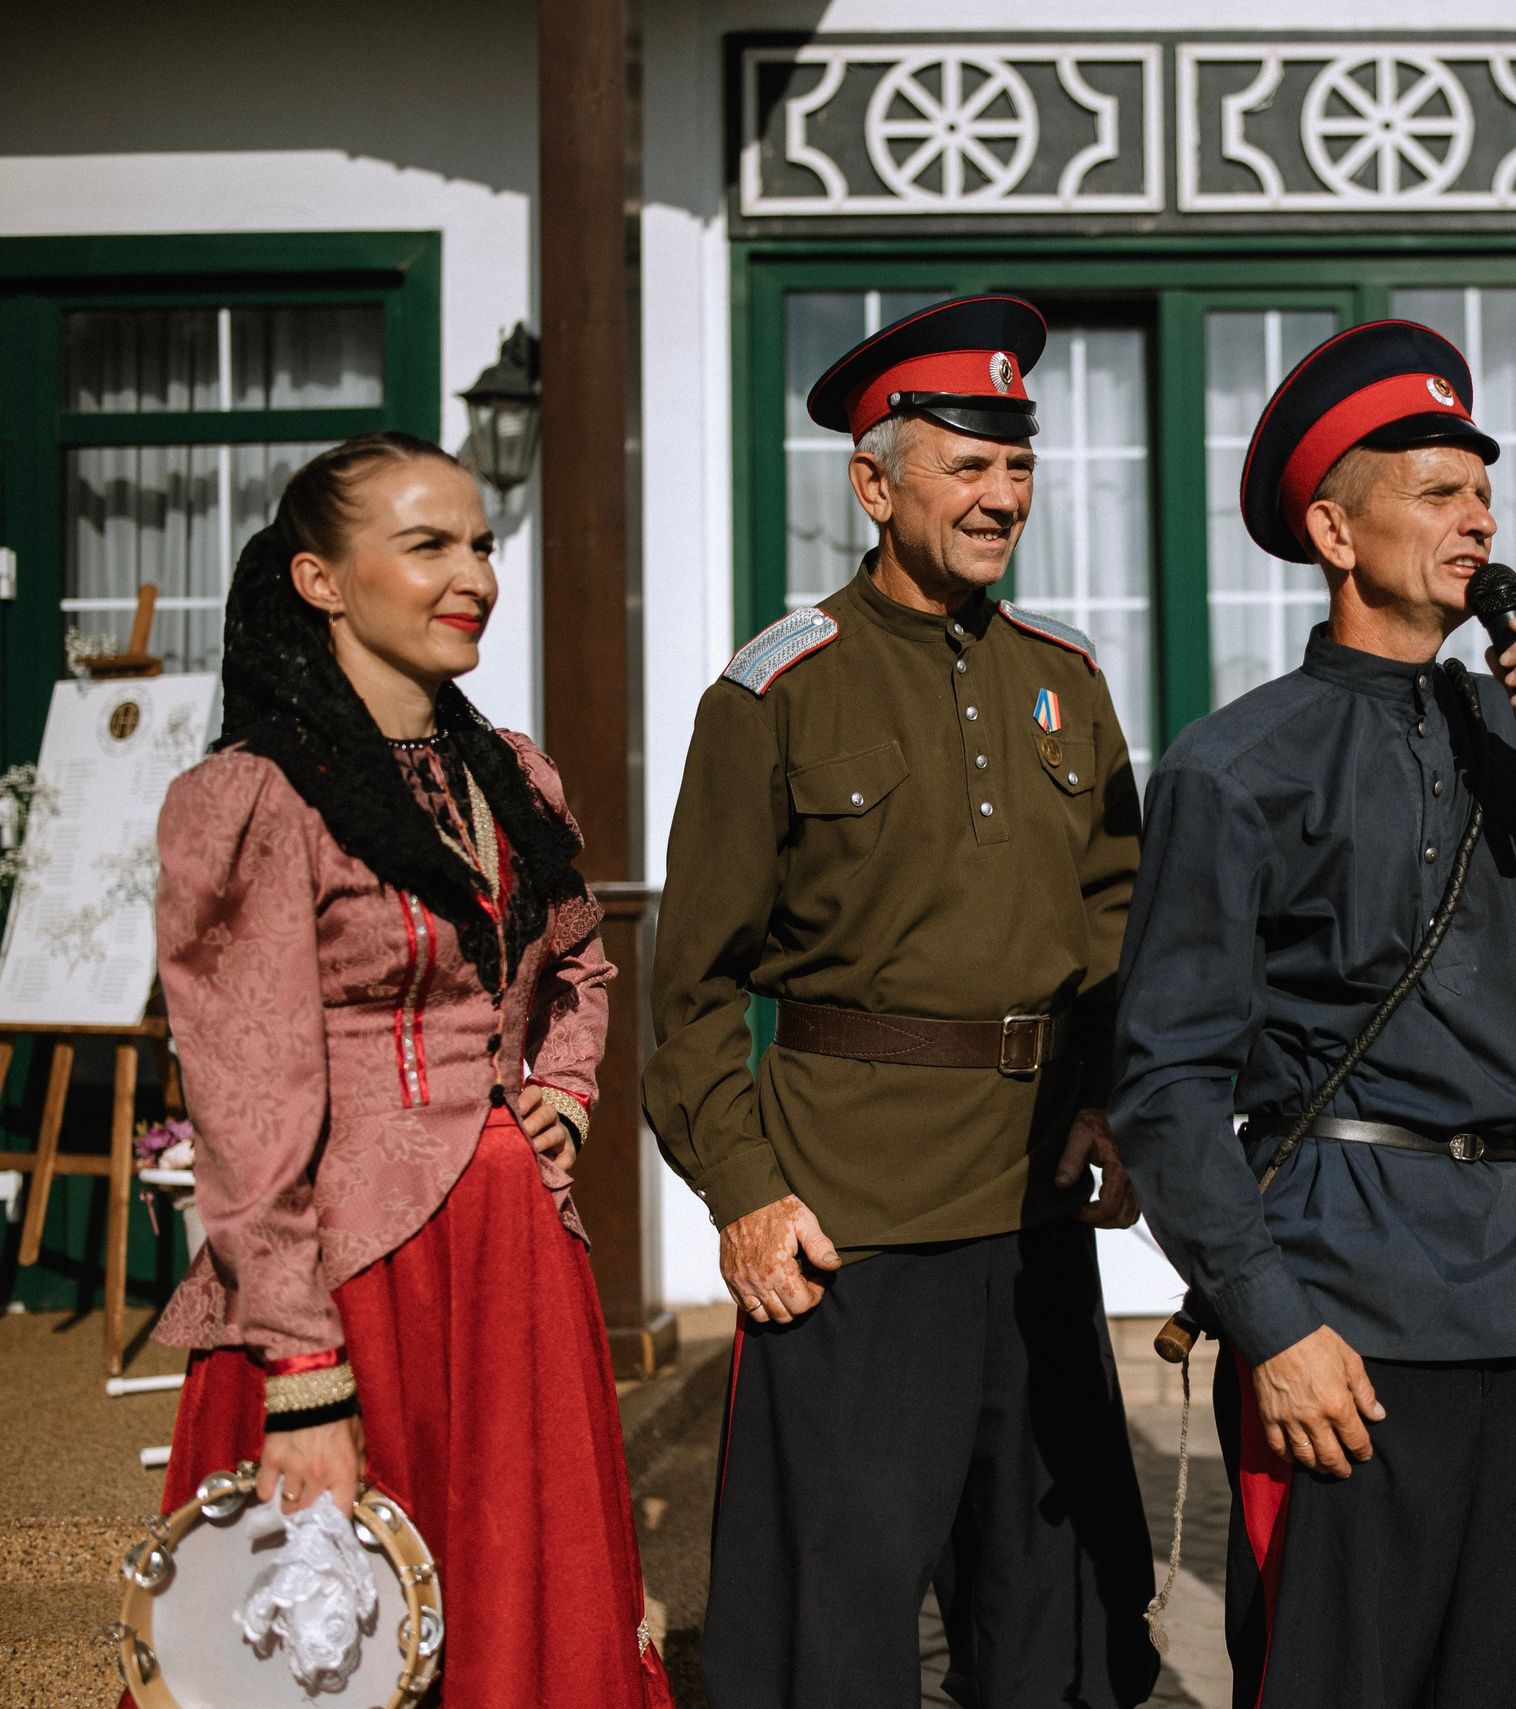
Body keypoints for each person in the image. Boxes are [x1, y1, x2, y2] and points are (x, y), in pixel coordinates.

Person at [1110, 320, 1516, 1708]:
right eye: (1436, 491)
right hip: (1337, 1296)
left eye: (1485, 496)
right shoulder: (1235, 766)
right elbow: (1167, 1086)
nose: (1477, 523)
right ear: (1337, 533)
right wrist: (1271, 1322)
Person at [645, 296, 1160, 1709]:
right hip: (851, 1228)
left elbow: (1118, 927)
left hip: (1038, 1220)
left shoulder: (1068, 681)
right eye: (965, 463)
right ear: (874, 485)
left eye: (1019, 462)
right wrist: (745, 1191)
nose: (1001, 495)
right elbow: (687, 991)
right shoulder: (778, 691)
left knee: (1044, 1614)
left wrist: (1115, 1094)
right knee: (838, 1628)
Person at [147, 432, 671, 1707]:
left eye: (481, 543)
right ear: (322, 580)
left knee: (518, 1622)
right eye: (428, 544)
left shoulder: (504, 777)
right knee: (328, 1647)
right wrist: (304, 1379)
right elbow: (245, 1105)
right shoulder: (253, 798)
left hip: (511, 1266)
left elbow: (580, 963)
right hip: (346, 1279)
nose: (473, 575)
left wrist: (564, 1080)